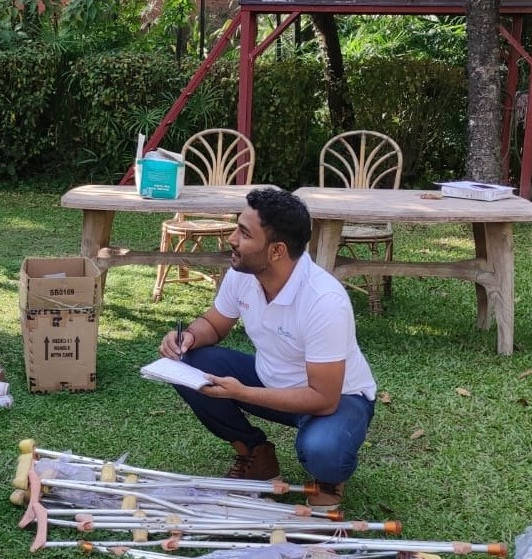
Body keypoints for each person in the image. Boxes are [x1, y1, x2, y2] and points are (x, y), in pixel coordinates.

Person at [158, 187, 376, 509]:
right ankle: (256, 455)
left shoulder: (324, 301)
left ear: (276, 251)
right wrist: (189, 336)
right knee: (185, 363)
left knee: (323, 449)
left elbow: (323, 398)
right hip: (271, 380)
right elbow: (215, 324)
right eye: (237, 227)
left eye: (244, 233)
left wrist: (240, 392)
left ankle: (329, 482)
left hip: (337, 399)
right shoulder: (244, 273)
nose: (232, 239)